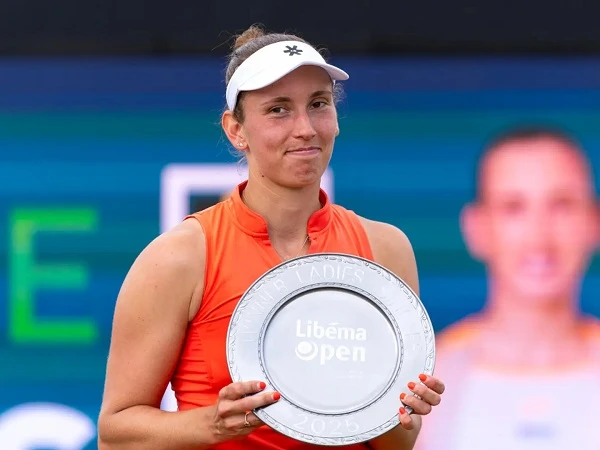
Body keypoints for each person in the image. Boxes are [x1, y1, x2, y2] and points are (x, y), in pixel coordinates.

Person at [97, 25, 445, 450]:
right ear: (236, 130)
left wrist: (399, 411)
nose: (305, 128)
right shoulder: (181, 256)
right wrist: (213, 425)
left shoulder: (386, 249)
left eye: (318, 104)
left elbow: (396, 444)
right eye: (278, 109)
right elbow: (116, 436)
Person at [417, 126, 600, 450]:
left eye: (562, 205)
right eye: (513, 207)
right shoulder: (425, 385)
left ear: (593, 221)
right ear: (476, 228)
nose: (539, 237)